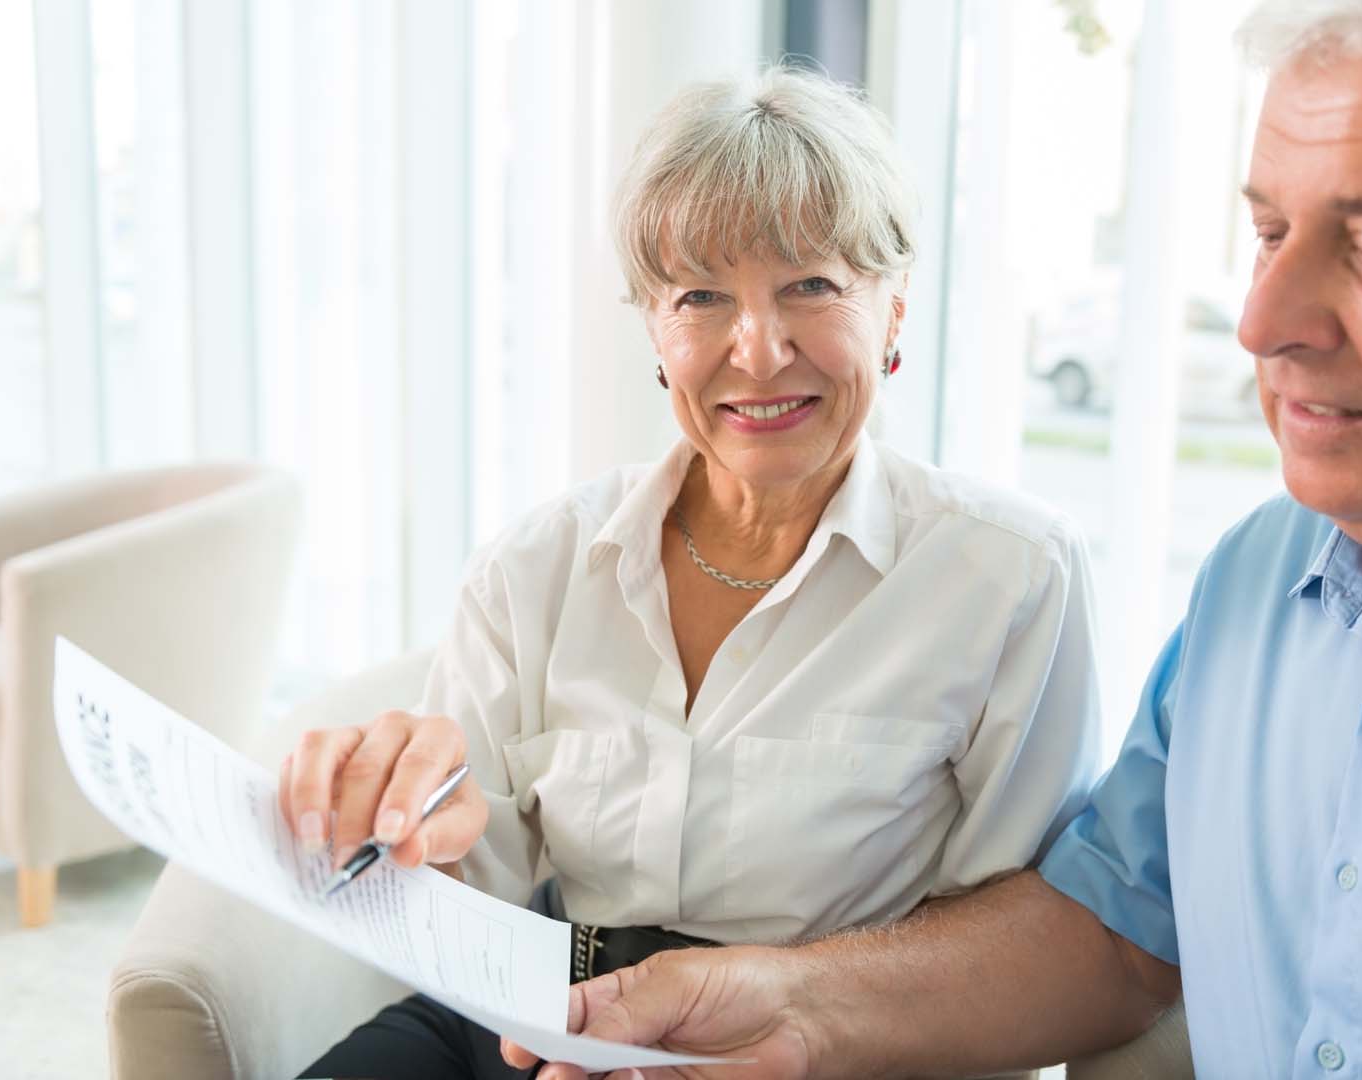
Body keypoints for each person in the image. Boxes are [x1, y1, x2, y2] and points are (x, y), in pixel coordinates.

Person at [522, 1, 1362, 1076]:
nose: (1261, 320)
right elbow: (1111, 936)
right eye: (1269, 233)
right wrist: (789, 1011)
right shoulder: (1259, 581)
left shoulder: (1006, 569)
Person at [282, 66, 1102, 1080]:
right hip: (531, 1024)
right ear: (656, 337)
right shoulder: (537, 565)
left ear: (893, 314)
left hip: (819, 1048)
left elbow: (1020, 948)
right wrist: (397, 821)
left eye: (811, 285)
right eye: (701, 296)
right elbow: (462, 903)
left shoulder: (1008, 577)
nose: (756, 353)